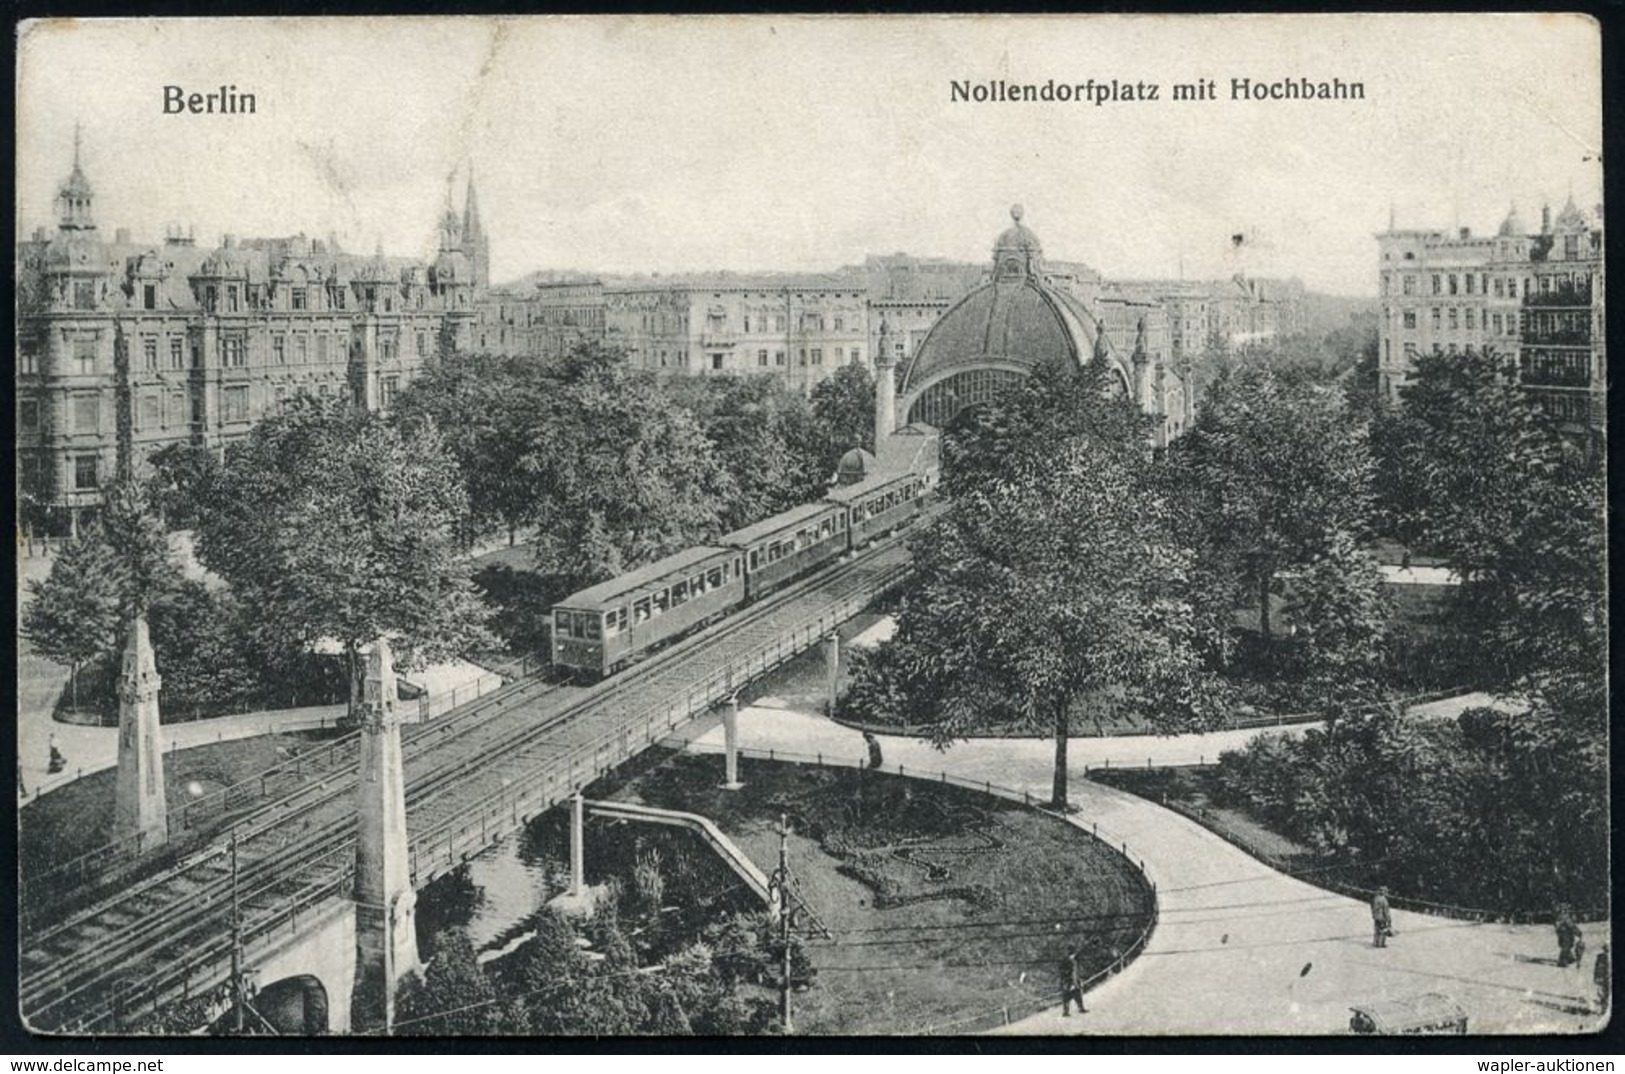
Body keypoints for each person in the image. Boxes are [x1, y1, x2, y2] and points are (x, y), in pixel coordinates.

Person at [1060, 950, 1086, 1017]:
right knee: (1066, 997)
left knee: (1078, 995)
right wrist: (1068, 981)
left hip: (1075, 982)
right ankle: (1065, 1012)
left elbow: (1077, 972)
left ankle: (1081, 1008)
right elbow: (1063, 973)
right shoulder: (1065, 962)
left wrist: (1079, 980)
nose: (1073, 956)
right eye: (1072, 955)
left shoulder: (1075, 962)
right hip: (1068, 982)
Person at [1594, 944, 1611, 1015]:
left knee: (1605, 994)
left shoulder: (1600, 957)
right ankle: (1604, 1009)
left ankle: (1605, 1009)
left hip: (1606, 978)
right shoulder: (1600, 957)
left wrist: (1595, 977)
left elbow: (1596, 969)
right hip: (1604, 978)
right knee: (1604, 994)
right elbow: (1597, 969)